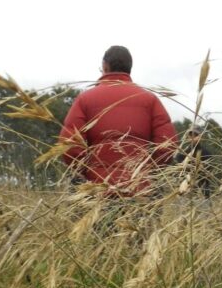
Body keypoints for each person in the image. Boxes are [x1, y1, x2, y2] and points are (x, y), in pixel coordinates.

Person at [59, 45, 178, 196]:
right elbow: (166, 147)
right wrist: (148, 173)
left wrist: (86, 175)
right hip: (140, 193)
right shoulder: (150, 100)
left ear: (104, 66)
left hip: (95, 193)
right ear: (129, 69)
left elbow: (70, 147)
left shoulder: (85, 99)